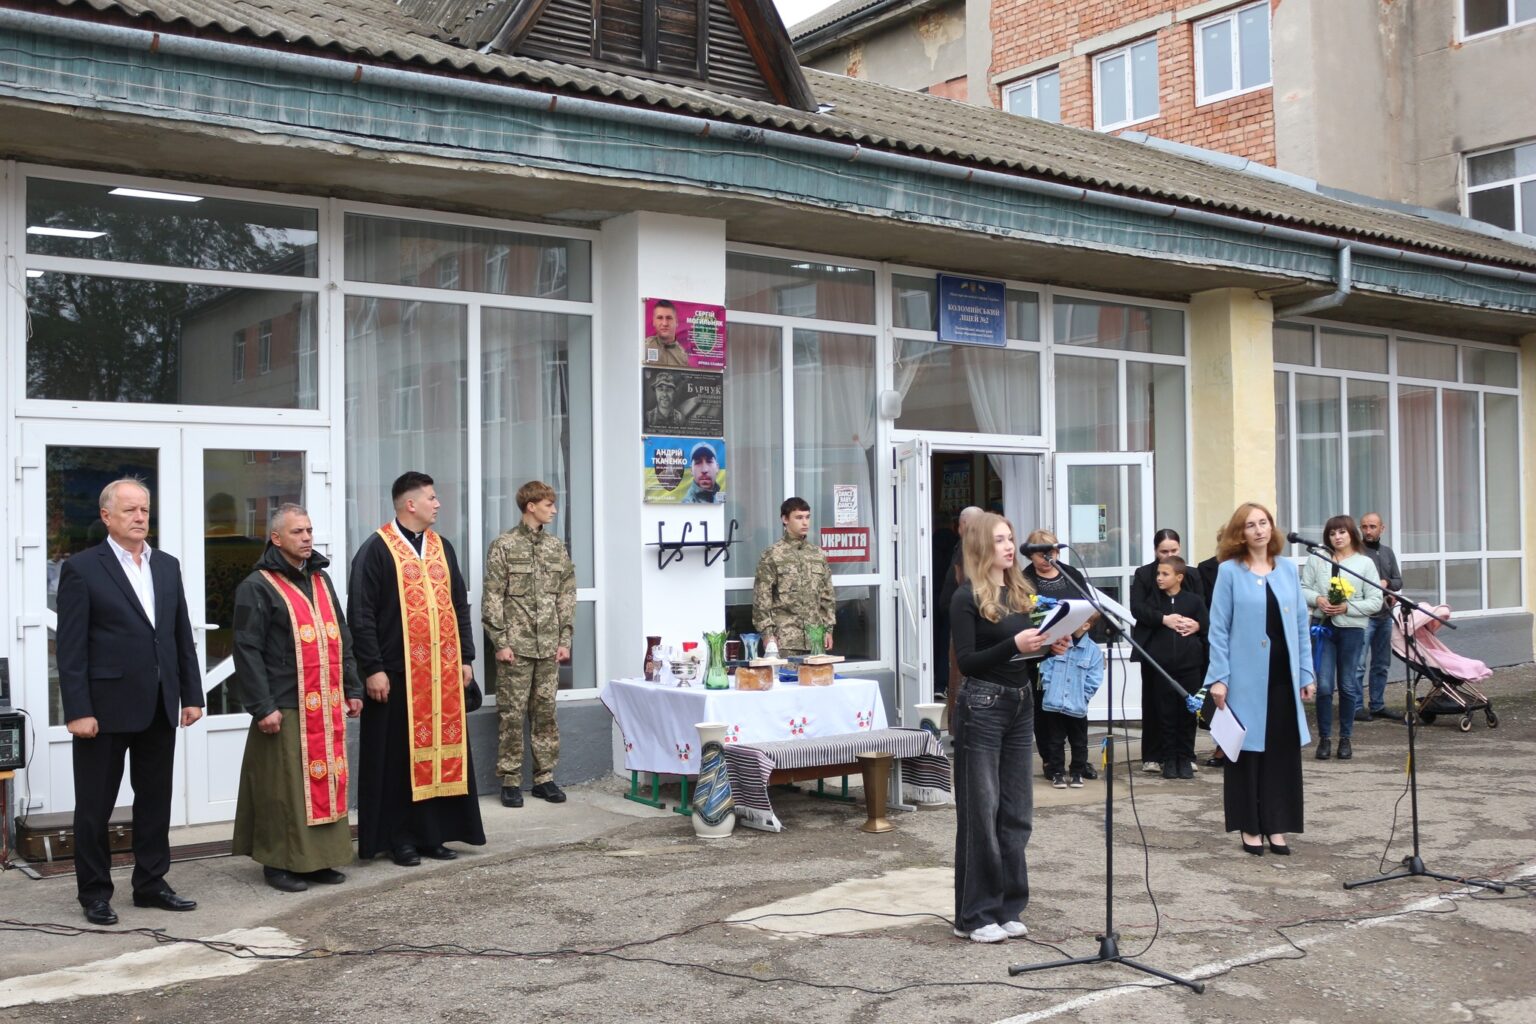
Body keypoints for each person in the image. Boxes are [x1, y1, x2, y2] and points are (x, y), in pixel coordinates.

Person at [56, 478, 204, 925]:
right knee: (95, 806)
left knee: (155, 800)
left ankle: (151, 883)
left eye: (144, 510)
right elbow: (71, 647)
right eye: (130, 511)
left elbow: (180, 634)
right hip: (103, 710)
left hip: (160, 704)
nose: (141, 518)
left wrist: (192, 694)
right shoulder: (83, 568)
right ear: (106, 517)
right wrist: (78, 709)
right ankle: (95, 893)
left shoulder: (166, 565)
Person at [349, 471, 486, 866]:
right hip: (396, 676)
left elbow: (459, 604)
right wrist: (371, 668)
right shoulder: (376, 549)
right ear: (410, 504)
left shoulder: (443, 547)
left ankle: (434, 834)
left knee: (441, 753)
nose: (437, 503)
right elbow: (361, 614)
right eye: (431, 497)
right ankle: (399, 838)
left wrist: (466, 658)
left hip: (442, 675)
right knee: (397, 759)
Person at [950, 512, 1072, 942]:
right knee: (981, 813)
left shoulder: (1021, 590)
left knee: (1016, 812)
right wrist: (1013, 645)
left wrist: (1049, 648)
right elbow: (967, 662)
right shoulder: (966, 596)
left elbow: (1024, 653)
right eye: (1000, 539)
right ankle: (975, 916)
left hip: (1021, 704)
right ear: (983, 545)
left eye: (1011, 538)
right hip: (982, 705)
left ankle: (1008, 906)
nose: (1008, 546)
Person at [230, 504, 363, 892]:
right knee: (283, 788)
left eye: (309, 530)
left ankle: (319, 860)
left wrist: (352, 688)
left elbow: (343, 636)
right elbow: (247, 650)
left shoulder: (321, 580)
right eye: (297, 532)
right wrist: (262, 707)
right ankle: (279, 862)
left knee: (328, 781)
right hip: (285, 704)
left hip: (326, 701)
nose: (307, 538)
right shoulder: (257, 585)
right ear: (276, 538)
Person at [1205, 502, 1315, 856]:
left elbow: (1301, 625)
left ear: (1272, 528)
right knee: (1247, 754)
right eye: (1250, 525)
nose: (1258, 530)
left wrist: (1306, 671)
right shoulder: (1229, 572)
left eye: (1263, 522)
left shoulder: (1286, 569)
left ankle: (1277, 825)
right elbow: (1218, 628)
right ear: (1240, 533)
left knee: (1281, 754)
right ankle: (1250, 826)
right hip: (1244, 679)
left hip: (1283, 674)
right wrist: (1219, 678)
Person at [483, 481, 576, 809]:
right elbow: (493, 595)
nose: (553, 509)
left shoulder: (555, 548)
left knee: (546, 713)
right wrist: (500, 642)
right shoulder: (504, 546)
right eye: (548, 504)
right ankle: (509, 780)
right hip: (516, 649)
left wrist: (565, 639)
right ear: (530, 506)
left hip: (549, 647)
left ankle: (544, 778)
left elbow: (566, 594)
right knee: (511, 714)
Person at [1300, 515, 1382, 761]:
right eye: (1333, 533)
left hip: (1351, 629)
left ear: (1351, 535)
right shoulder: (1317, 559)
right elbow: (1303, 588)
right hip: (1322, 627)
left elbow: (1376, 600)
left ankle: (1345, 738)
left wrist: (1348, 607)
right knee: (1324, 685)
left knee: (1347, 684)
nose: (1337, 537)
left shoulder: (1364, 563)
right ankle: (1324, 738)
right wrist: (1318, 599)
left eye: (1342, 532)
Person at [1021, 528, 1096, 788]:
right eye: (1041, 553)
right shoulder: (1024, 580)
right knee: (1046, 710)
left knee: (1075, 706)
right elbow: (1022, 618)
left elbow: (1090, 607)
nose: (1047, 557)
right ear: (1031, 555)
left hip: (1074, 651)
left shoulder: (1070, 573)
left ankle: (1079, 762)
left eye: (1052, 551)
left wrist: (1079, 628)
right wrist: (1050, 641)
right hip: (1042, 655)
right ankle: (1051, 762)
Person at [1130, 528, 1204, 775]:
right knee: (1155, 701)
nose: (1168, 555)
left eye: (1173, 551)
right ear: (1155, 551)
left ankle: (1185, 755)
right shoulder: (1144, 575)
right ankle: (1153, 755)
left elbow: (1202, 607)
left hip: (1186, 651)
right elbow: (1138, 609)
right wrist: (1164, 619)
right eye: (1164, 551)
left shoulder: (1190, 574)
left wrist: (1197, 625)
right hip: (1155, 647)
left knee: (1187, 704)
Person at [752, 497, 835, 656]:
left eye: (807, 517)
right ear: (785, 519)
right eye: (799, 517)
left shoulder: (817, 554)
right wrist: (768, 635)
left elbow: (827, 595)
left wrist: (828, 628)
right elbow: (762, 598)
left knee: (816, 680)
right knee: (785, 680)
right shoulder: (772, 554)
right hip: (784, 640)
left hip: (815, 640)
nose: (805, 523)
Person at [1355, 512, 1403, 721]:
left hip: (1385, 616)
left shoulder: (1388, 552)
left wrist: (1387, 584)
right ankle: (1355, 707)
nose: (1368, 531)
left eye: (1372, 527)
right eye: (1364, 527)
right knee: (1358, 665)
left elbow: (1398, 581)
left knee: (1382, 664)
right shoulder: (1356, 553)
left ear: (1382, 529)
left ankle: (1377, 704)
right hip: (1364, 617)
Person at [938, 507, 983, 700]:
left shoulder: (974, 548)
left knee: (959, 671)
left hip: (967, 617)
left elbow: (963, 580)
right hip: (960, 612)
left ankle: (959, 722)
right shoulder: (964, 545)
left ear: (961, 525)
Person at [643, 299, 690, 367]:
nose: (665, 323)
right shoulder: (644, 347)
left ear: (676, 322)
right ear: (653, 321)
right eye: (660, 318)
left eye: (669, 318)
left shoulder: (683, 355)